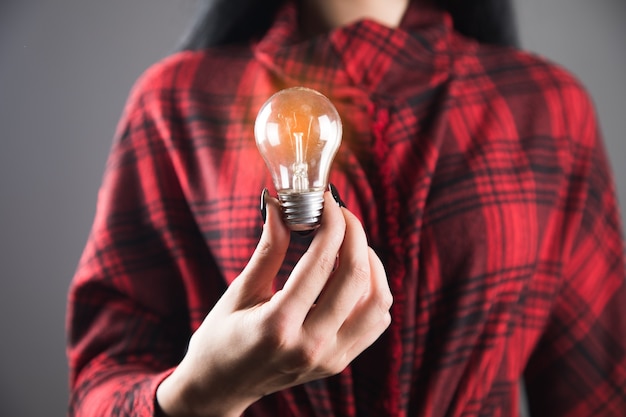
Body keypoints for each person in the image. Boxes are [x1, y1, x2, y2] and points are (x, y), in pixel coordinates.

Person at [66, 0, 626, 416]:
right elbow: (102, 379)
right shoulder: (177, 101)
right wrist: (202, 392)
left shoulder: (546, 107)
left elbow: (600, 391)